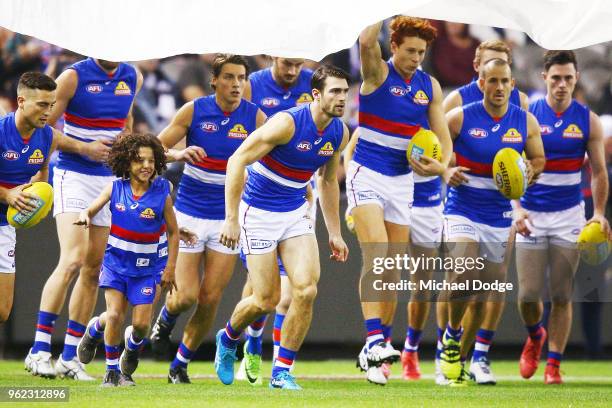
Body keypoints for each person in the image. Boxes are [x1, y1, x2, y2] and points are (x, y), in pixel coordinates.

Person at [213, 65, 350, 390]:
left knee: (306, 290)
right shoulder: (287, 123)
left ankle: (282, 372)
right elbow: (237, 160)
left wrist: (334, 232)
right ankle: (229, 337)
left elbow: (328, 180)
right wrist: (231, 218)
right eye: (335, 91)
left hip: (294, 213)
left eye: (345, 91)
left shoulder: (339, 132)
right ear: (316, 95)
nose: (342, 98)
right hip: (257, 213)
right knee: (266, 299)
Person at [149, 54, 265, 384]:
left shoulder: (255, 116)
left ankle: (180, 364)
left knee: (210, 297)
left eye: (242, 78)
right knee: (185, 295)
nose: (236, 84)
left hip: (227, 219)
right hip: (188, 212)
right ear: (214, 80)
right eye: (229, 77)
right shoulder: (194, 110)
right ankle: (166, 318)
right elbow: (153, 150)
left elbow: (274, 153)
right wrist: (178, 154)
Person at [347, 16, 451, 385]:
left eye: (422, 52)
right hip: (367, 173)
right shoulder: (376, 73)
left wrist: (438, 166)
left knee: (391, 272)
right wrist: (378, 8)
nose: (416, 58)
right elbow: (363, 41)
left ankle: (376, 349)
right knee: (376, 256)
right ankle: (374, 337)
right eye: (410, 51)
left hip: (403, 181)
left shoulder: (430, 87)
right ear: (394, 47)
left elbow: (444, 142)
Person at [25, 58, 142, 380]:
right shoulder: (73, 76)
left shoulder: (133, 75)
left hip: (108, 181)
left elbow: (126, 122)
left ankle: (69, 357)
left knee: (93, 270)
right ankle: (39, 349)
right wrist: (82, 148)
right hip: (73, 174)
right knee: (73, 259)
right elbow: (43, 125)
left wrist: (126, 154)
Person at [440, 58, 545, 385]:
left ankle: (468, 353)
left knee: (486, 287)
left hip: (499, 215)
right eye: (493, 81)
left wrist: (531, 170)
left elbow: (539, 157)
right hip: (462, 208)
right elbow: (432, 149)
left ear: (512, 84)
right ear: (481, 83)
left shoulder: (525, 122)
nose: (499, 87)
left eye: (505, 81)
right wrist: (445, 169)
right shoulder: (459, 118)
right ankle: (451, 339)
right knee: (464, 272)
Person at [515, 50, 610, 384]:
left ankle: (553, 363)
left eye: (568, 78)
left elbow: (599, 172)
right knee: (528, 296)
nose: (562, 84)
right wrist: (516, 208)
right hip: (531, 213)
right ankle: (535, 335)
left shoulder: (588, 119)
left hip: (569, 214)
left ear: (576, 78)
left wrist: (598, 213)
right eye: (556, 77)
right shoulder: (527, 114)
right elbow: (507, 165)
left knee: (561, 294)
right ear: (544, 78)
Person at [0, 72, 107, 330]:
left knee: (3, 311)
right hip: (6, 203)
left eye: (51, 104)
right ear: (21, 101)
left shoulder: (47, 137)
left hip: (5, 225)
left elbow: (43, 170)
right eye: (42, 105)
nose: (48, 111)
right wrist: (7, 194)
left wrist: (40, 194)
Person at [74, 133, 178, 387]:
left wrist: (171, 268)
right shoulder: (115, 188)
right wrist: (85, 215)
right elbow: (91, 208)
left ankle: (128, 348)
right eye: (139, 160)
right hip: (115, 266)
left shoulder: (162, 190)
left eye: (151, 160)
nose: (146, 166)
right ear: (126, 163)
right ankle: (111, 371)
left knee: (141, 325)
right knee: (115, 315)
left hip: (146, 269)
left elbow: (174, 232)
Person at [235, 57, 315, 385]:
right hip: (259, 197)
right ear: (272, 57)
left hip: (296, 197)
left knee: (295, 291)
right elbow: (244, 142)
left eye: (298, 64)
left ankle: (280, 369)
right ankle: (250, 345)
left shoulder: (314, 85)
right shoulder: (253, 83)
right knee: (261, 293)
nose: (293, 71)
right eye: (287, 63)